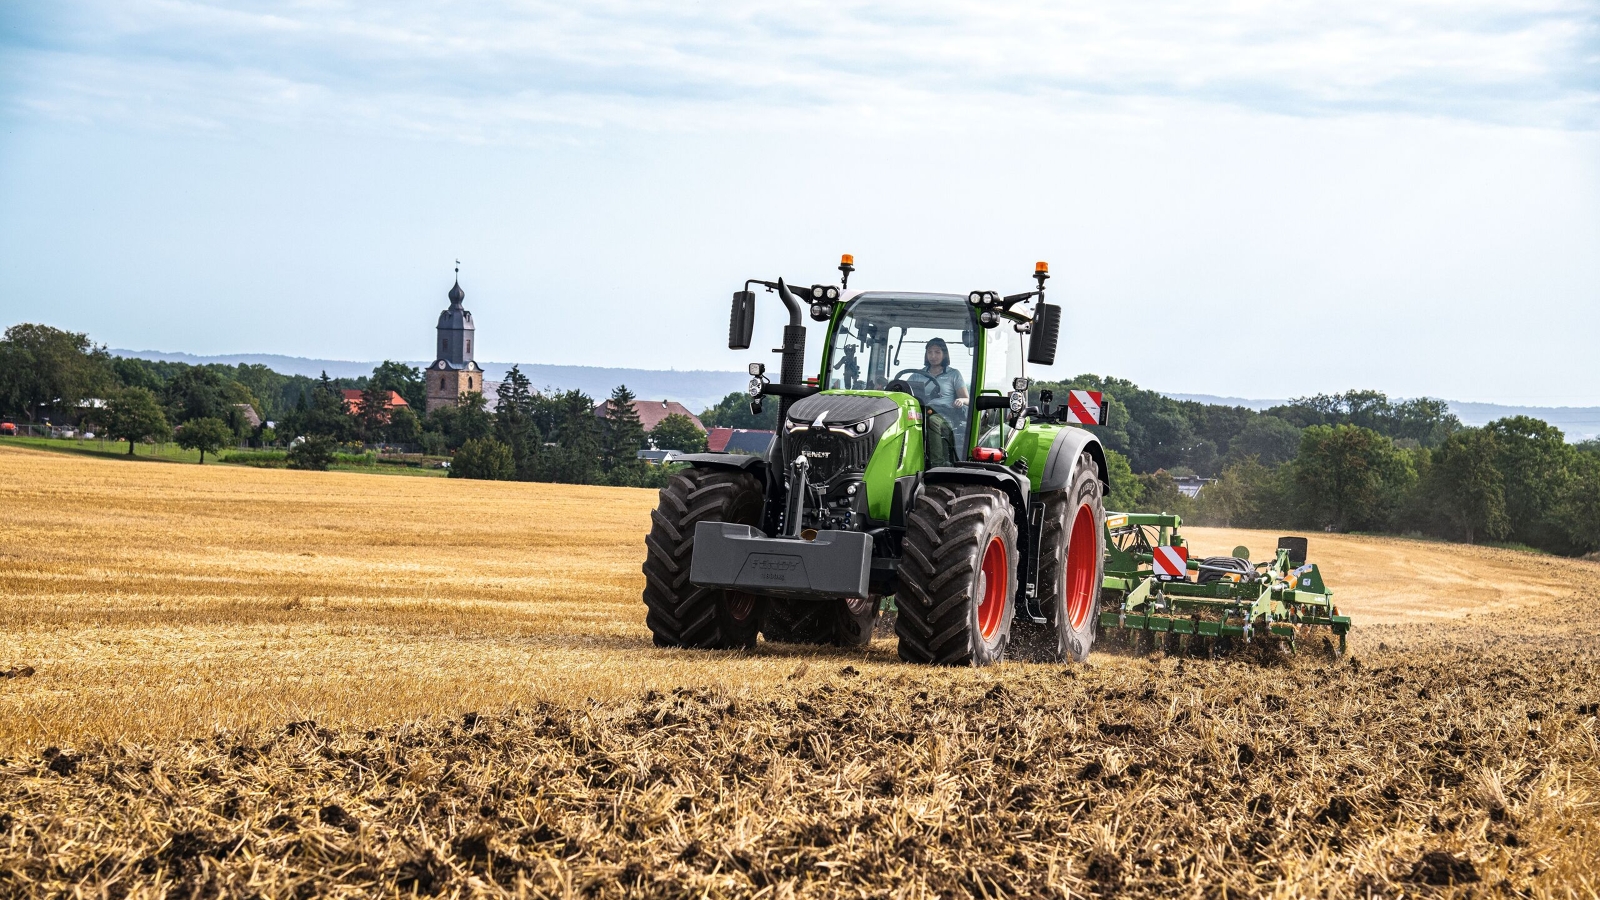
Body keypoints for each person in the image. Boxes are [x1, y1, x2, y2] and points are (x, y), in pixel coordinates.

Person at [909, 337, 969, 426]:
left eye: (937, 352)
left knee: (931, 421)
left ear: (944, 354)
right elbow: (905, 393)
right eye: (929, 352)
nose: (933, 356)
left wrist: (961, 400)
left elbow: (967, 400)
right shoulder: (917, 375)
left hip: (945, 414)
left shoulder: (953, 374)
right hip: (920, 412)